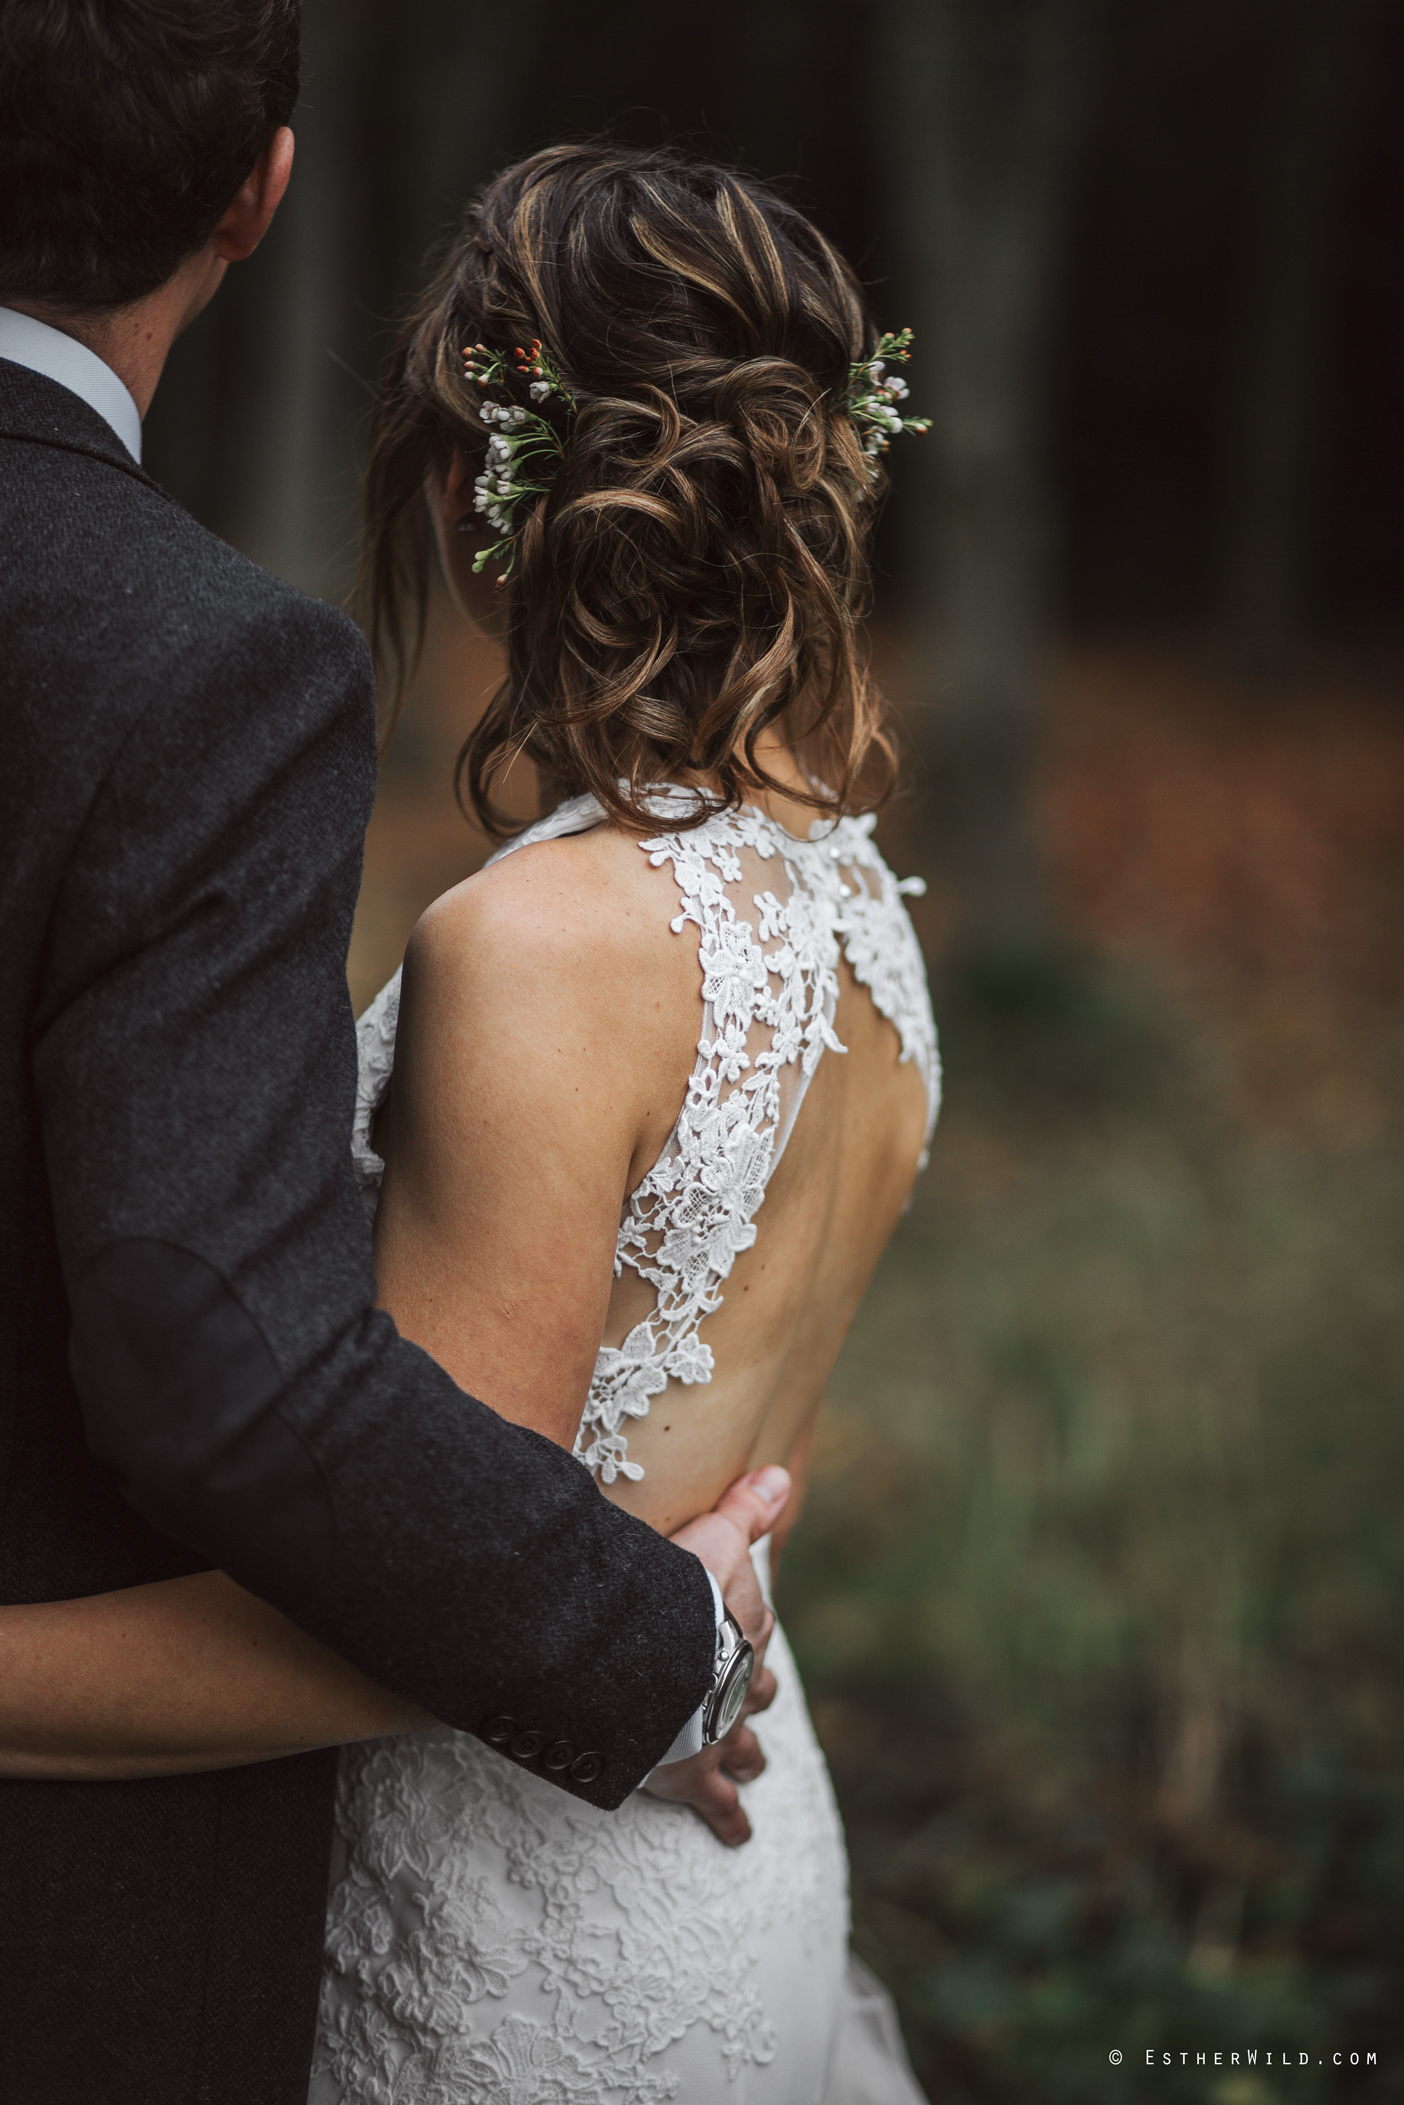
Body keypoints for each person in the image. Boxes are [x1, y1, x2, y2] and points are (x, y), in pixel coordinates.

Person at [1, 134, 940, 2100]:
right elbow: (713, 1492)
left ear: (473, 489)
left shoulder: (547, 945)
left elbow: (432, 1598)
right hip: (737, 1863)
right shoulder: (857, 902)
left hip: (527, 1931)